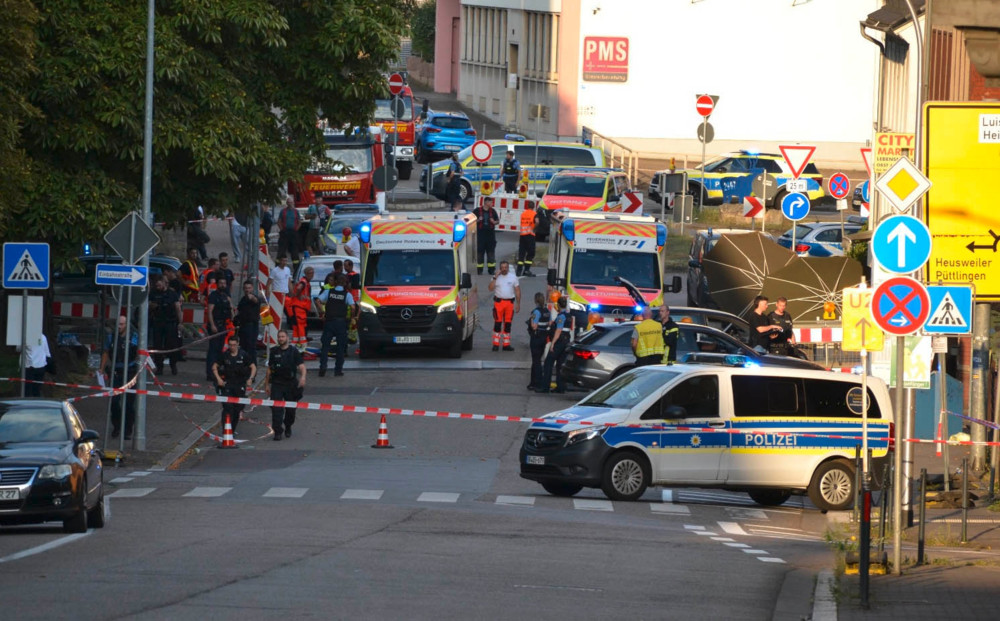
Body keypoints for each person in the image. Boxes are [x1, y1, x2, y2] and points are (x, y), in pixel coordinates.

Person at [101, 316, 139, 439]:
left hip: (130, 372)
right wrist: (101, 369)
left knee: (129, 404)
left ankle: (127, 430)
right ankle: (117, 427)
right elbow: (106, 352)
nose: (119, 327)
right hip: (116, 371)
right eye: (118, 324)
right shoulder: (111, 337)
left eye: (122, 324)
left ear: (127, 325)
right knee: (114, 403)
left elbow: (139, 352)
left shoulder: (133, 337)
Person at [266, 329, 306, 440]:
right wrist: (266, 385)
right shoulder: (274, 351)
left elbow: (302, 366)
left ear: (287, 338)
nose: (281, 339)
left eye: (283, 337)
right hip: (277, 384)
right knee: (276, 409)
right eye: (279, 337)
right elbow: (269, 369)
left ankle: (288, 425)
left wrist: (303, 377)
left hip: (290, 384)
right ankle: (278, 431)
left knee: (291, 410)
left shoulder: (294, 351)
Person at [213, 334, 256, 434]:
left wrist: (251, 379)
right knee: (228, 408)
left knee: (237, 409)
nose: (232, 347)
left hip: (240, 385)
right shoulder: (225, 355)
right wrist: (219, 379)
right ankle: (226, 431)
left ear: (238, 344)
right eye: (230, 345)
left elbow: (253, 367)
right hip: (228, 385)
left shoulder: (243, 355)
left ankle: (232, 429)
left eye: (234, 345)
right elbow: (214, 366)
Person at [315, 273, 355, 377]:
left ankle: (322, 368)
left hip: (329, 322)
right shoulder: (347, 294)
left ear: (335, 282)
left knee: (325, 346)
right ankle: (338, 370)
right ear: (345, 283)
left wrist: (322, 312)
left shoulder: (329, 292)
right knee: (340, 347)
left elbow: (318, 301)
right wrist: (351, 318)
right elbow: (353, 307)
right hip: (341, 322)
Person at [149, 276, 183, 375]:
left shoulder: (172, 294)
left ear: (164, 283)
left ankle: (173, 365)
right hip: (158, 322)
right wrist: (153, 306)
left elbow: (178, 309)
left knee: (171, 345)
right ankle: (159, 367)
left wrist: (180, 323)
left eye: (159, 285)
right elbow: (148, 305)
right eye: (157, 285)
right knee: (157, 345)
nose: (158, 287)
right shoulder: (154, 293)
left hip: (170, 322)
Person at [537, 296, 571, 393]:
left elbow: (558, 330)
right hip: (566, 341)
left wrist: (553, 344)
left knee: (548, 363)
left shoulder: (561, 316)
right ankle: (560, 387)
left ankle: (545, 387)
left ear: (558, 305)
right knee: (560, 364)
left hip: (559, 342)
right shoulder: (568, 316)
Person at [488, 260, 520, 351]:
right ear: (500, 268)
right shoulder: (496, 277)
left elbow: (517, 290)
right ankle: (496, 344)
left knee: (508, 324)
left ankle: (506, 345)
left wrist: (518, 303)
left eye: (506, 267)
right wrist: (495, 277)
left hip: (509, 303)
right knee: (497, 324)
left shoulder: (513, 277)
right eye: (502, 268)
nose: (504, 269)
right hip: (499, 303)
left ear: (508, 268)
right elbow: (490, 288)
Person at [206, 276, 234, 381]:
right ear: (217, 284)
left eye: (224, 283)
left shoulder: (226, 296)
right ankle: (210, 373)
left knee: (219, 350)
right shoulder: (213, 295)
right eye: (221, 283)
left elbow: (230, 308)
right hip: (215, 325)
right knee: (213, 350)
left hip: (223, 325)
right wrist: (212, 325)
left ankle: (216, 372)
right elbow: (210, 311)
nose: (223, 285)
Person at [527, 292, 551, 391]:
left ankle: (537, 382)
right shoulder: (547, 311)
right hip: (544, 336)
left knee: (536, 361)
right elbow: (549, 323)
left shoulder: (536, 312)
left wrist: (531, 321)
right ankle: (532, 382)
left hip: (536, 337)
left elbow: (534, 326)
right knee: (537, 359)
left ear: (536, 300)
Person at [473, 198, 500, 274]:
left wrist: (494, 222)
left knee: (491, 252)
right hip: (480, 235)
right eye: (491, 202)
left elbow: (497, 220)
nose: (492, 204)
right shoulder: (477, 211)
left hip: (490, 235)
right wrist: (478, 220)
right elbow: (471, 221)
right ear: (486, 202)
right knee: (479, 253)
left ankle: (491, 269)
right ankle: (479, 270)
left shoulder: (493, 211)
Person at [236, 280, 261, 356]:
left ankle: (252, 365)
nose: (247, 290)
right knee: (243, 346)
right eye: (246, 288)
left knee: (251, 347)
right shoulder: (243, 299)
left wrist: (252, 297)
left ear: (252, 288)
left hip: (251, 326)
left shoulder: (254, 297)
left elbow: (256, 301)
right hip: (243, 326)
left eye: (249, 288)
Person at [21, 332, 51, 397]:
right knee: (37, 389)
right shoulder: (43, 337)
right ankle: (36, 402)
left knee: (27, 390)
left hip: (29, 366)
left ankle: (27, 403)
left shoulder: (26, 337)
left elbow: (19, 348)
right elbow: (47, 353)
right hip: (41, 366)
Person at [277, 197, 302, 265]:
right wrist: (282, 230)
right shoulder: (283, 211)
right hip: (285, 233)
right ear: (286, 203)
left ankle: (296, 266)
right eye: (288, 202)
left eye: (291, 202)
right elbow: (279, 222)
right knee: (281, 250)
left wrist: (295, 230)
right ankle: (278, 264)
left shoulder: (296, 211)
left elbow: (299, 222)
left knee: (294, 251)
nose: (290, 204)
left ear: (293, 203)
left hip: (293, 233)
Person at [516, 206, 538, 276]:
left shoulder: (523, 213)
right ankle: (526, 270)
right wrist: (534, 229)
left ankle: (518, 271)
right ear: (533, 207)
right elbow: (537, 222)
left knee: (521, 253)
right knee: (531, 253)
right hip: (530, 235)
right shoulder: (534, 213)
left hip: (522, 235)